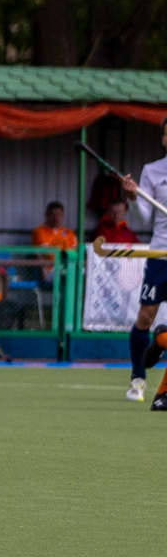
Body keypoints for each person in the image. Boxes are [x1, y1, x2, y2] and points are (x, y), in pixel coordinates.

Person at [125, 121, 167, 403]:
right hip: (160, 254)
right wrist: (131, 198)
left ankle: (160, 343)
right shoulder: (152, 171)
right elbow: (142, 218)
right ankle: (138, 378)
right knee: (145, 317)